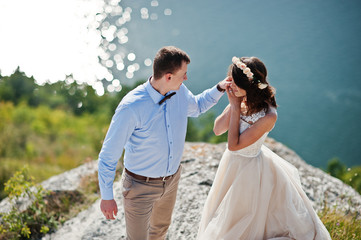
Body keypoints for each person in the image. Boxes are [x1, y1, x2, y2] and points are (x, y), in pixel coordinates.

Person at [98, 46, 230, 240]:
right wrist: (106, 196)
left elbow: (198, 106)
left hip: (171, 180)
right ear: (168, 76)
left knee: (160, 232)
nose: (186, 79)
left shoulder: (179, 91)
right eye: (183, 74)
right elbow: (108, 155)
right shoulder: (131, 107)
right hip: (140, 186)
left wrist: (219, 88)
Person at [197, 56, 331, 240]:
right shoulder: (240, 98)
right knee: (222, 213)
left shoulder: (269, 116)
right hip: (231, 164)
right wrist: (233, 103)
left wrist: (235, 107)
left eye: (236, 83)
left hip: (250, 169)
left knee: (247, 217)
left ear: (250, 86)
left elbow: (234, 146)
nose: (231, 86)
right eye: (231, 80)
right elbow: (218, 129)